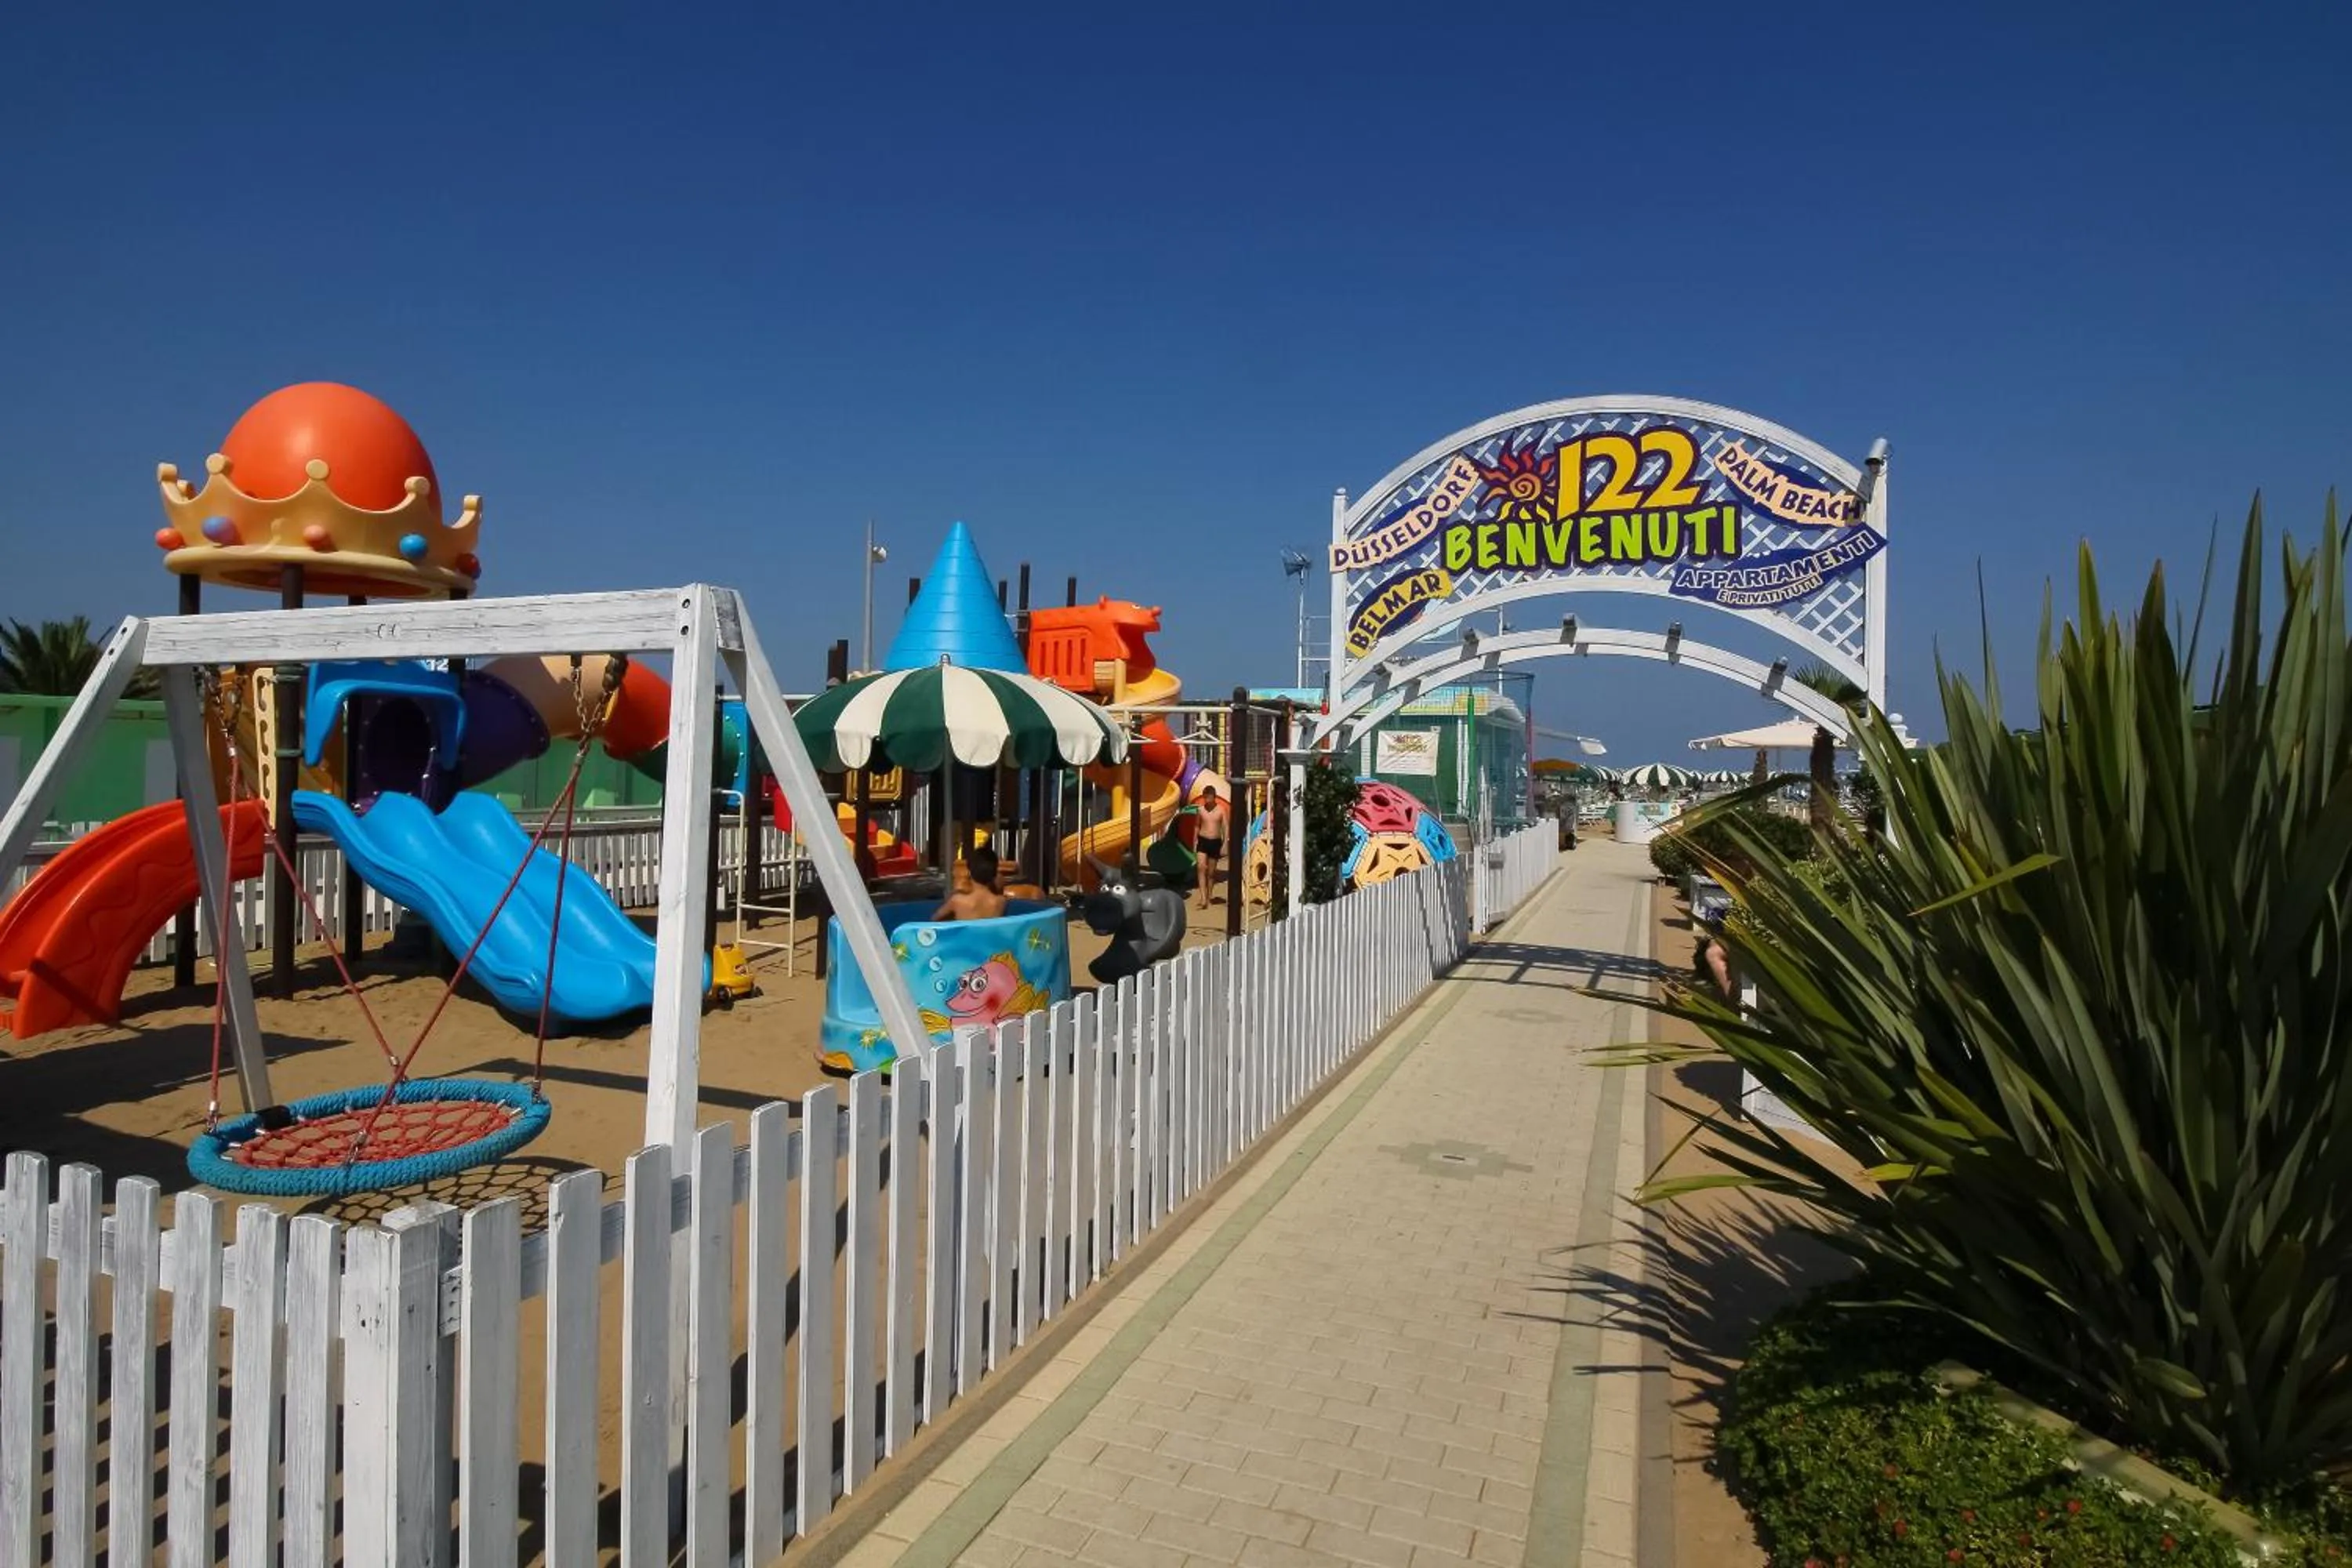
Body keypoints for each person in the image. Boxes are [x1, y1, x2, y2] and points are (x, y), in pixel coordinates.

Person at [933, 844, 1007, 922]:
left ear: (969, 872)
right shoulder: (1001, 902)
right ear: (995, 874)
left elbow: (935, 919)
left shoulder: (957, 901)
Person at [1192, 784, 1231, 909]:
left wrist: (1225, 843)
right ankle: (1203, 898)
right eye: (1205, 797)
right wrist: (1195, 841)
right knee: (1201, 867)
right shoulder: (1201, 810)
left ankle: (1209, 895)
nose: (1207, 800)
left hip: (1215, 842)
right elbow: (1197, 825)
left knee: (1211, 873)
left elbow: (1225, 827)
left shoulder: (1221, 810)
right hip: (1203, 841)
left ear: (1214, 797)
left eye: (1209, 797)